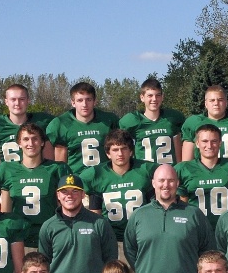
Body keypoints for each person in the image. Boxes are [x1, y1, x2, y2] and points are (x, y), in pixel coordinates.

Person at [0, 122, 70, 250]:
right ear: (19, 143)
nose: (30, 143)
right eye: (26, 139)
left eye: (35, 138)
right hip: (18, 240)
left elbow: (64, 205)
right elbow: (2, 206)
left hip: (49, 238)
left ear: (42, 142)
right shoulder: (7, 169)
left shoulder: (56, 169)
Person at [81, 129, 156, 258]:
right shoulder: (96, 174)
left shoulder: (145, 170)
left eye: (124, 148)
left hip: (141, 236)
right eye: (115, 150)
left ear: (131, 151)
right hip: (111, 238)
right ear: (108, 153)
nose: (120, 154)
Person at [176, 123, 228, 230]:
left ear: (220, 143)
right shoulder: (184, 169)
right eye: (205, 141)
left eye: (214, 141)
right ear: (197, 143)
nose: (209, 146)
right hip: (197, 229)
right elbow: (182, 202)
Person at [46, 82, 119, 174]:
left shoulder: (109, 121)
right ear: (73, 102)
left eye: (88, 99)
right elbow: (60, 162)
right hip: (76, 180)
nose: (85, 104)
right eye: (80, 100)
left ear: (95, 101)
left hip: (104, 178)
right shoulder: (61, 124)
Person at [0, 83, 55, 168]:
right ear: (6, 102)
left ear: (28, 101)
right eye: (13, 99)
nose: (17, 103)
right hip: (9, 178)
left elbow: (49, 162)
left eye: (22, 99)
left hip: (37, 174)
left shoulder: (42, 122)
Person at [181, 85, 228, 165]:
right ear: (206, 104)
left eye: (220, 100)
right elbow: (186, 163)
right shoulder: (193, 123)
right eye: (212, 100)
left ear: (226, 102)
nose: (216, 103)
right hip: (203, 175)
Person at [119, 77, 185, 165]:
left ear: (162, 97)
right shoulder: (133, 121)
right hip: (144, 175)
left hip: (168, 174)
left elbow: (179, 146)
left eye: (158, 95)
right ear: (142, 97)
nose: (154, 99)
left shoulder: (172, 118)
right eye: (150, 95)